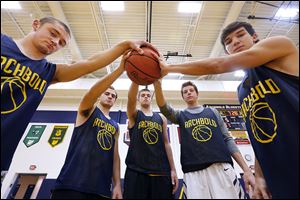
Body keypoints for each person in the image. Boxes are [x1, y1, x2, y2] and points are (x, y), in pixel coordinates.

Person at [157, 21, 299, 199]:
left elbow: (218, 64)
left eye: (240, 35)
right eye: (229, 42)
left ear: (254, 37)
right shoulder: (242, 89)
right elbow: (258, 136)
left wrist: (168, 68)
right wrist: (260, 175)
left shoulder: (280, 45)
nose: (235, 42)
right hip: (274, 167)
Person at [1, 16, 154, 171]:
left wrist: (125, 46)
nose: (55, 42)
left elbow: (89, 64)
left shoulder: (48, 72)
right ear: (36, 24)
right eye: (53, 33)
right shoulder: (3, 43)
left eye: (61, 43)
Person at [153, 80, 255, 199]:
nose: (189, 93)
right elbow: (163, 108)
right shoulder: (180, 116)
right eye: (185, 92)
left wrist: (246, 169)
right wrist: (157, 85)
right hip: (193, 172)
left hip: (221, 167)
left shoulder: (212, 112)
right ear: (183, 97)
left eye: (191, 90)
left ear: (197, 93)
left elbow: (228, 139)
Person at [51, 53, 130, 199]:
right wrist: (119, 70)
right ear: (100, 95)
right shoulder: (88, 111)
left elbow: (115, 157)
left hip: (101, 189)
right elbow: (91, 93)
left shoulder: (115, 126)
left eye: (113, 96)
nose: (110, 97)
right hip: (71, 183)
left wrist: (118, 184)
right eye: (107, 93)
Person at [123, 82, 178, 199]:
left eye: (148, 95)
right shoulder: (134, 115)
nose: (146, 97)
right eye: (142, 95)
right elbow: (130, 99)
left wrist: (173, 169)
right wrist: (136, 79)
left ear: (151, 99)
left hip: (160, 170)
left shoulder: (161, 118)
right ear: (138, 99)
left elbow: (166, 143)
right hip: (137, 170)